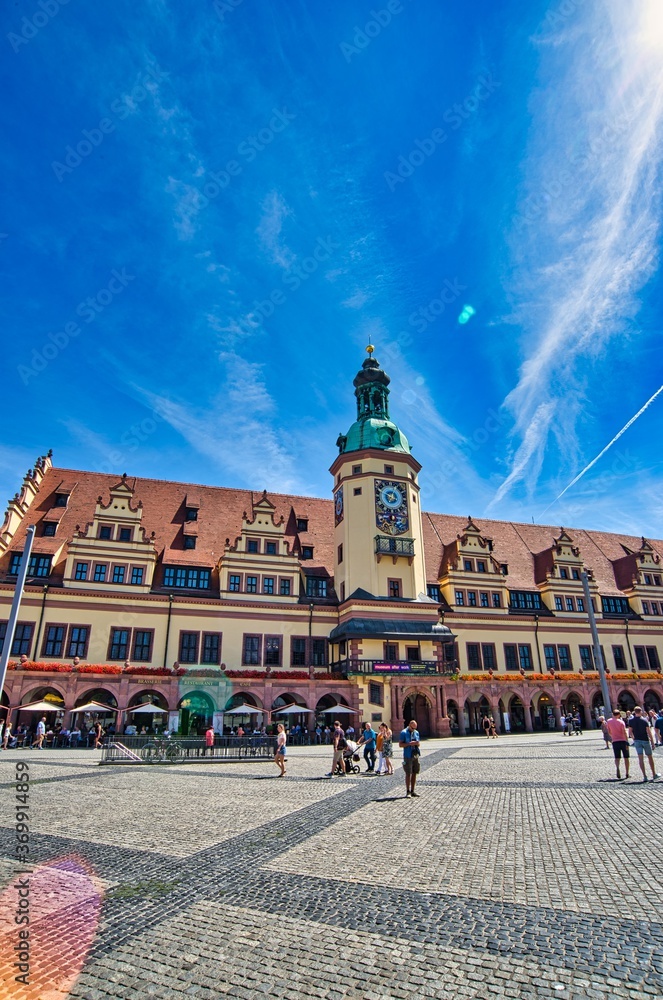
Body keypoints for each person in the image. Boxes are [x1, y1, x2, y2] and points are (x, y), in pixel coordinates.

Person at [627, 706, 660, 783]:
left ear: (635, 712)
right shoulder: (644, 720)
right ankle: (654, 774)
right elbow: (649, 732)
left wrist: (634, 738)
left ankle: (645, 776)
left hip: (637, 741)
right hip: (645, 740)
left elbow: (630, 732)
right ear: (641, 711)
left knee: (640, 758)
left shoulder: (631, 721)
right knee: (650, 757)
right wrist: (652, 742)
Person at [605, 709, 630, 780]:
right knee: (626, 757)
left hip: (615, 741)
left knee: (617, 757)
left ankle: (618, 767)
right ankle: (627, 773)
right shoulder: (621, 722)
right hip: (623, 740)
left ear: (613, 714)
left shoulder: (609, 721)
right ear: (619, 715)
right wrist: (627, 741)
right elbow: (624, 732)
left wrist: (613, 736)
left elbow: (609, 731)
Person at [399, 719, 421, 798]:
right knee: (408, 773)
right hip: (408, 755)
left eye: (415, 728)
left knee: (415, 772)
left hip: (415, 754)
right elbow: (400, 744)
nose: (413, 729)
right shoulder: (403, 733)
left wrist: (416, 743)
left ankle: (413, 791)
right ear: (409, 725)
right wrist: (409, 744)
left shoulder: (416, 732)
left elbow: (419, 743)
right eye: (412, 728)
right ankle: (408, 791)